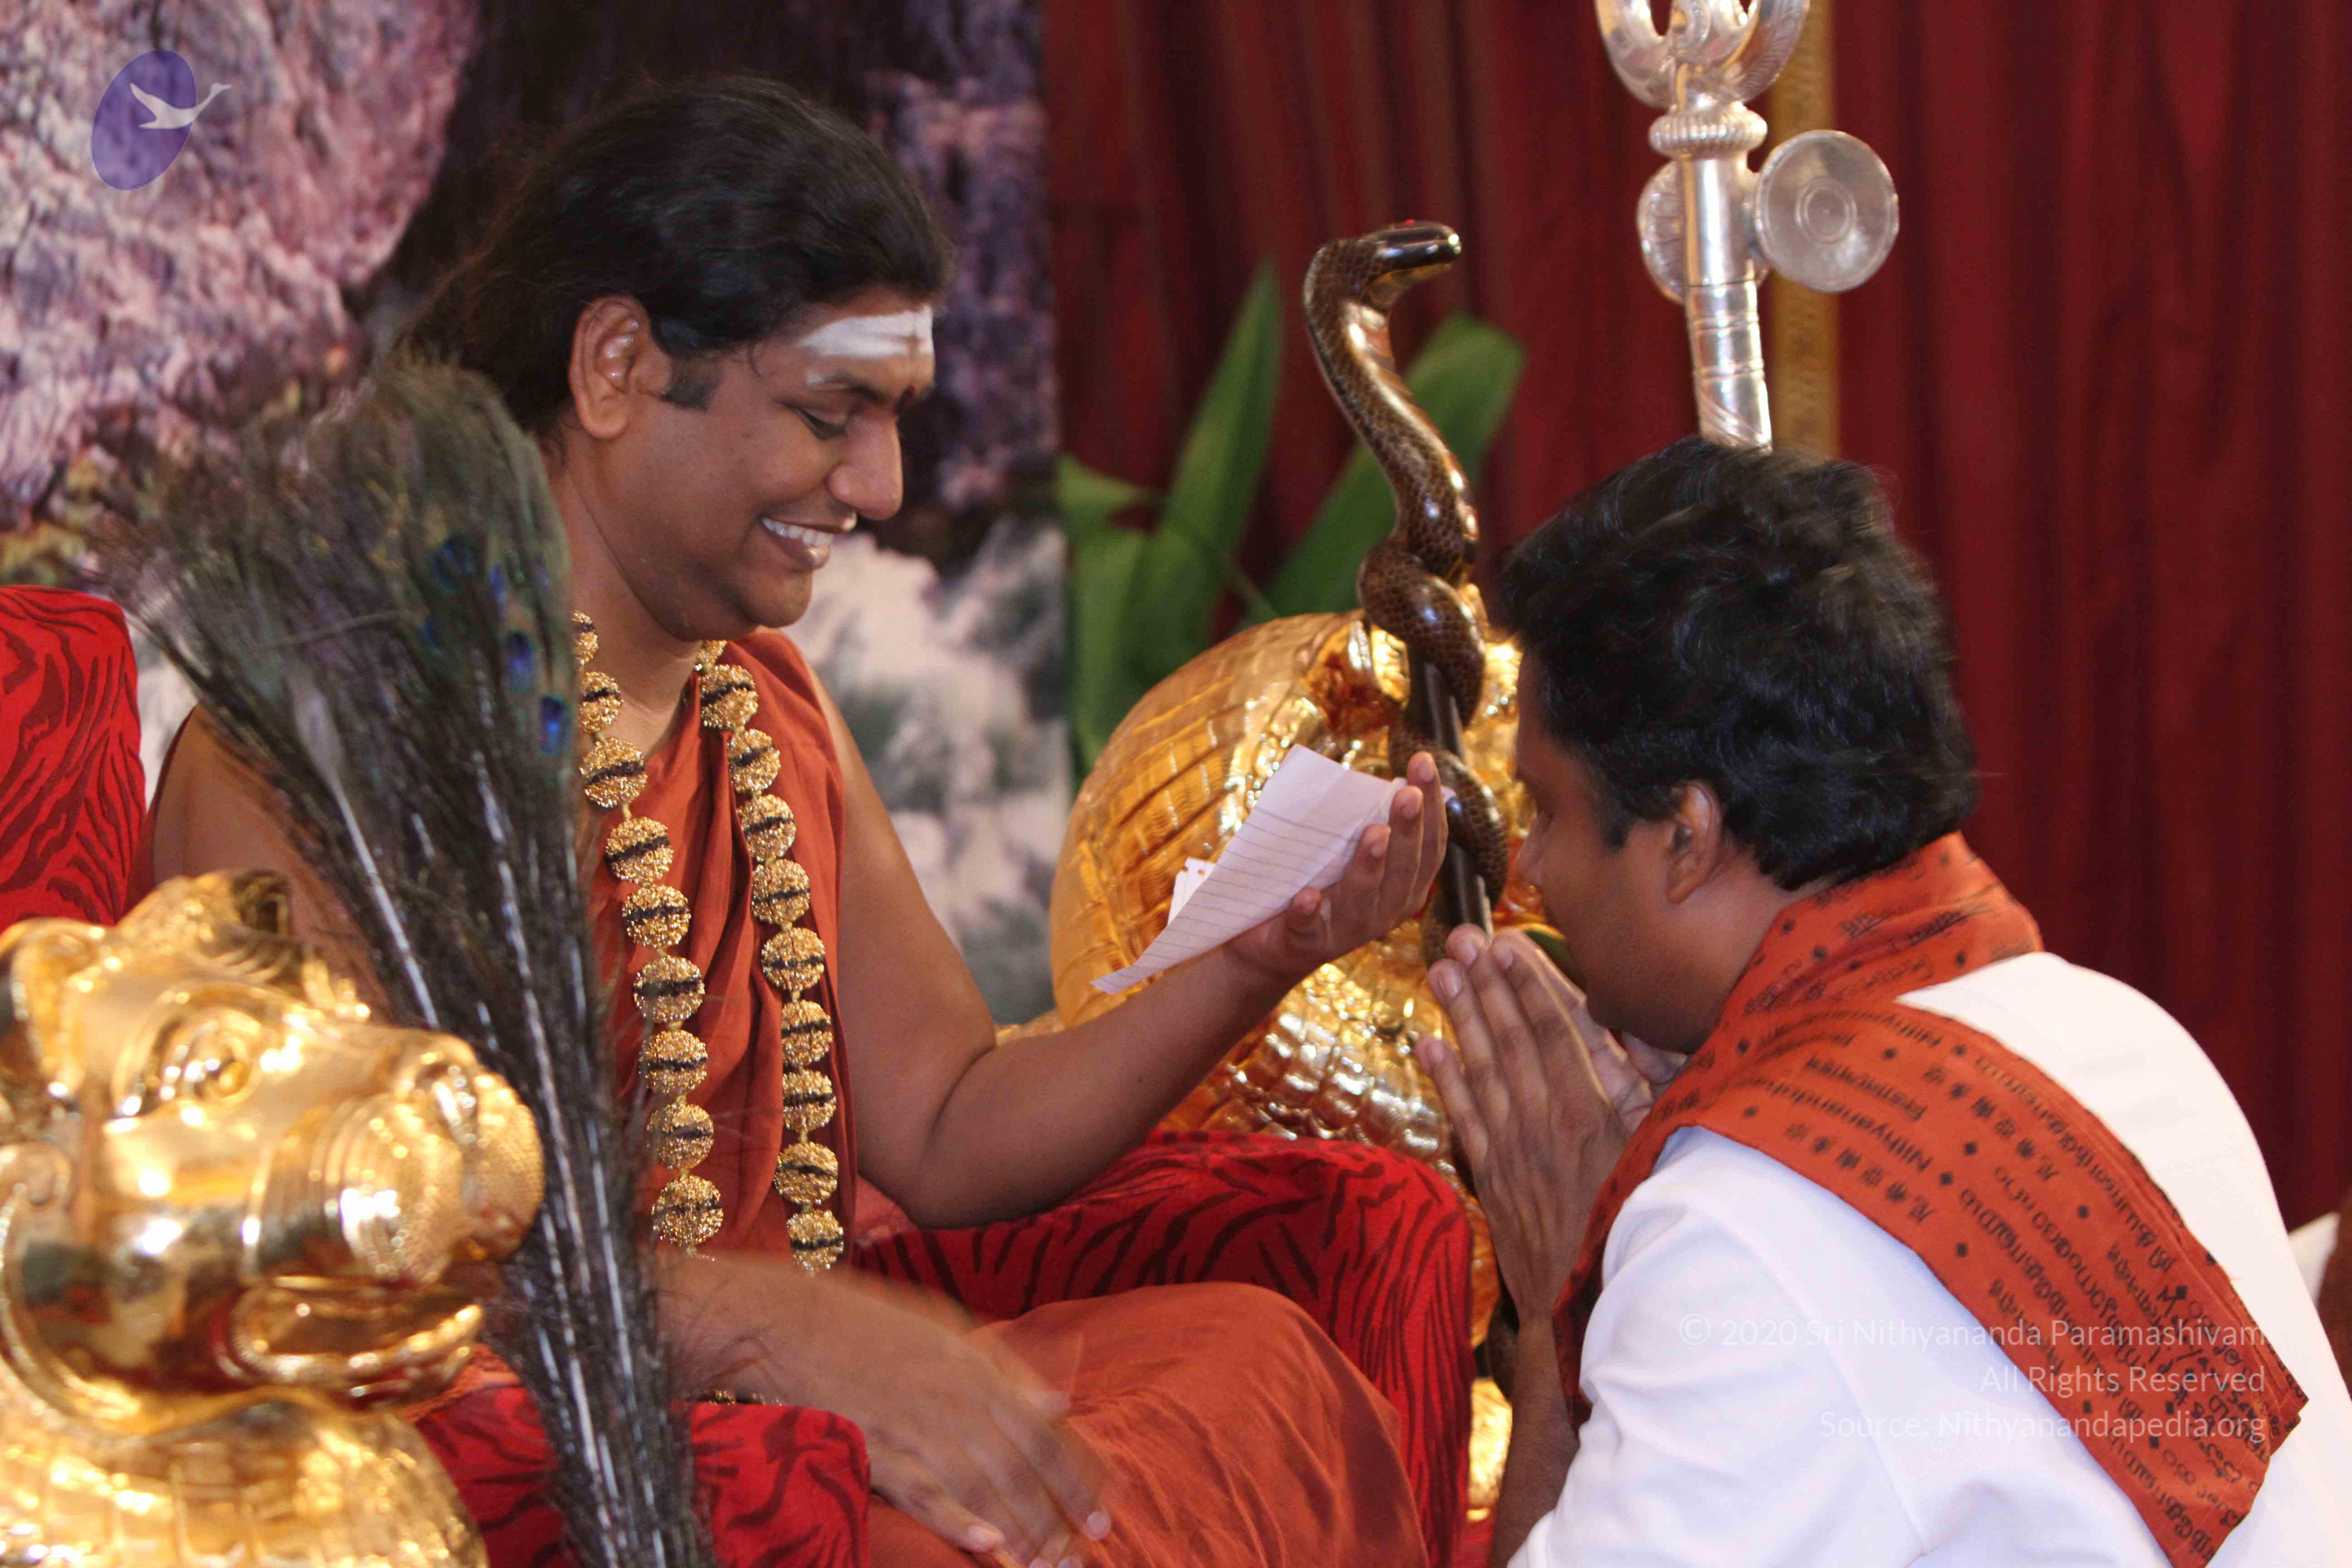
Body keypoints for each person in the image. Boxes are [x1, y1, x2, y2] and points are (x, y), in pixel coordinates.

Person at [141, 78, 1473, 1568]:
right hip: (524, 1452)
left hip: (790, 1406)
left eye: (894, 421)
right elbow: (337, 1248)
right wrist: (769, 1328)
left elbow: (950, 1120)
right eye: (831, 417)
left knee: (1254, 1368)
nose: (881, 488)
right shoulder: (327, 737)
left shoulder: (765, 700)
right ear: (617, 367)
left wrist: (1249, 960)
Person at [1417, 437, 2352, 1567]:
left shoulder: (1737, 1229)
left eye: (1547, 810)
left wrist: (1558, 1295)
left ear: (1684, 838)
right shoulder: (2123, 1034)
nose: (1530, 867)